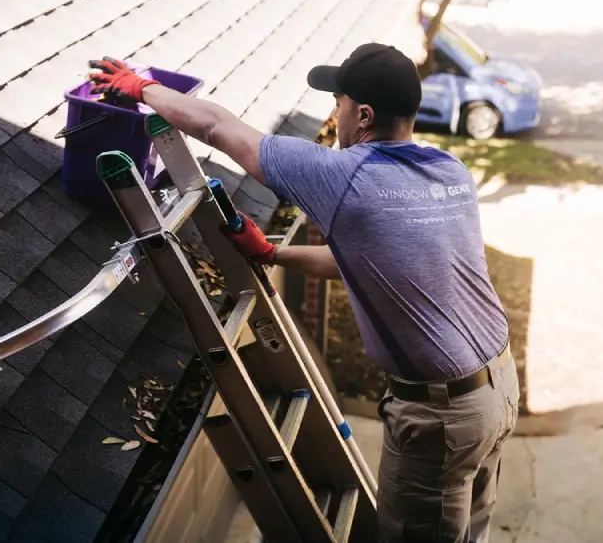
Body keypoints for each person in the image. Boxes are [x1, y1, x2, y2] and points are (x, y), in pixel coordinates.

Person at [87, 44, 519, 543]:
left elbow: (216, 128)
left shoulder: (344, 176)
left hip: (443, 416)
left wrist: (142, 88)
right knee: (472, 531)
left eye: (338, 102)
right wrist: (273, 256)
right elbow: (371, 261)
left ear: (363, 115)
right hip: (498, 386)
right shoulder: (448, 172)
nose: (333, 115)